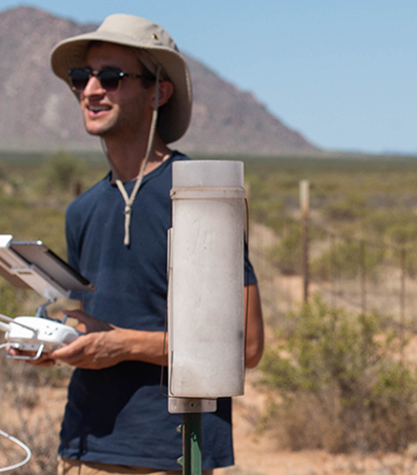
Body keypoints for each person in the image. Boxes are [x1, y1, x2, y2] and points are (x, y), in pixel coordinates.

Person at [23, 14, 264, 474]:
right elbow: (88, 324)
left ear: (158, 92)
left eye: (111, 77)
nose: (92, 90)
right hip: (85, 445)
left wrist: (123, 345)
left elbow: (246, 347)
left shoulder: (200, 196)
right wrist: (56, 344)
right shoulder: (83, 209)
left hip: (173, 450)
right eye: (82, 78)